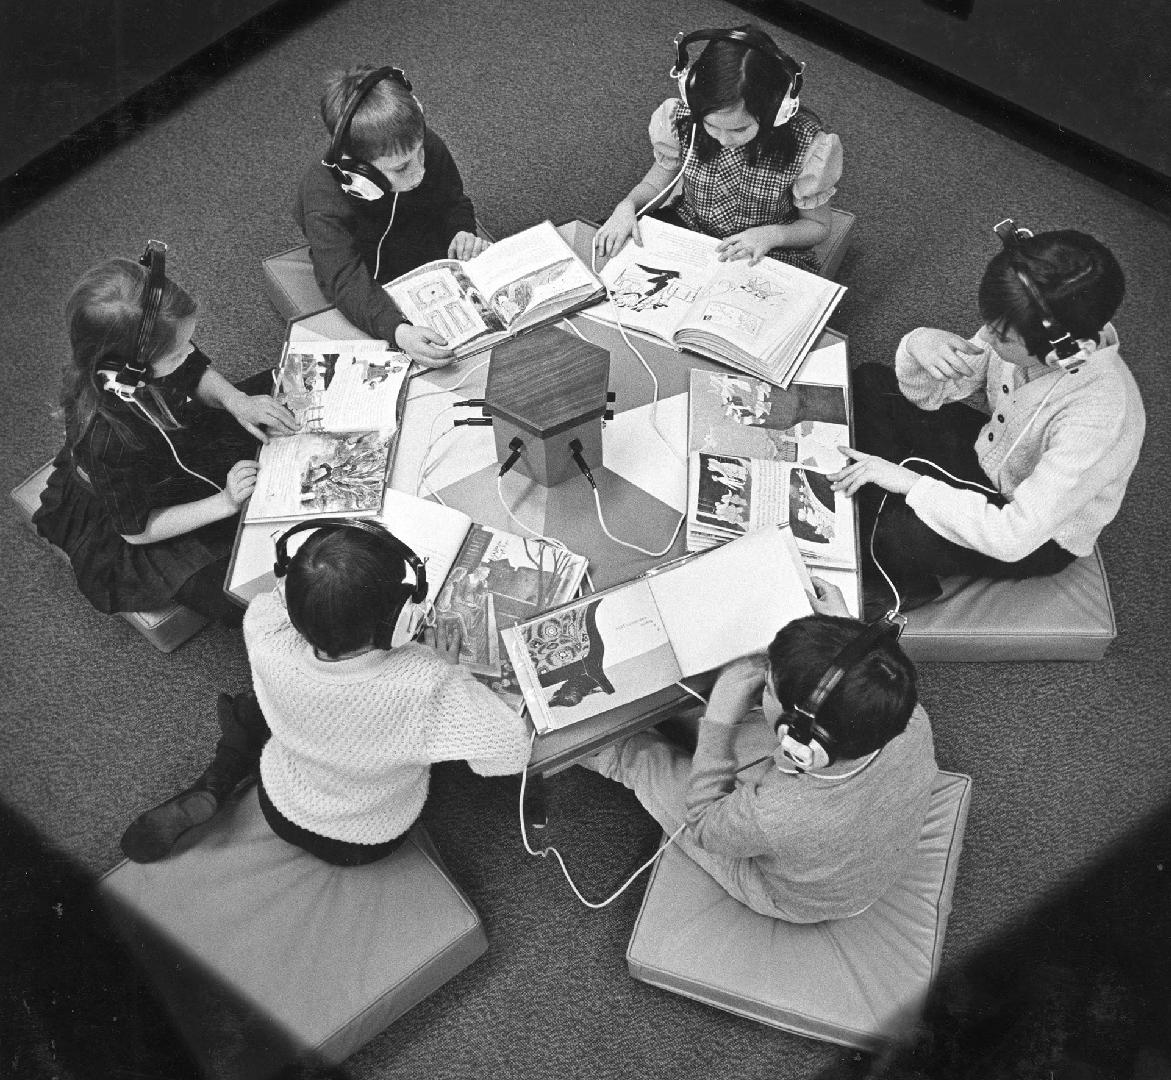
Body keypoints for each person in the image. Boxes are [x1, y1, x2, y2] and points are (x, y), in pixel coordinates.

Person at [120, 521, 531, 864]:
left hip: (280, 803)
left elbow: (280, 595)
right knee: (424, 743)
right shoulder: (426, 683)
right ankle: (227, 766)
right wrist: (453, 669)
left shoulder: (263, 630)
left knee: (259, 706)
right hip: (363, 839)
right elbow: (509, 753)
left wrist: (320, 575)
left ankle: (218, 778)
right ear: (397, 620)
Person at [832, 224, 1145, 613]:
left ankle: (903, 579)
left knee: (896, 535)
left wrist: (908, 483)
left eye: (1001, 337)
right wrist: (919, 342)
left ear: (1064, 354)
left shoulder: (1097, 418)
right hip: (992, 454)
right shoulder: (1034, 327)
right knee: (871, 381)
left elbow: (1014, 536)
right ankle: (875, 504)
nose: (986, 338)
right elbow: (934, 396)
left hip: (1031, 532)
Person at [581, 580, 936, 923]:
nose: (761, 681)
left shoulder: (776, 813)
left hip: (789, 893)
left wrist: (721, 716)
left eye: (766, 686)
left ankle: (606, 752)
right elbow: (854, 683)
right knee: (708, 723)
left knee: (644, 760)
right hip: (843, 833)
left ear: (798, 740)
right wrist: (846, 631)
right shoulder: (907, 716)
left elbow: (704, 827)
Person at [33, 253, 298, 626]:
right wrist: (224, 503)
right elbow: (136, 532)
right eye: (177, 352)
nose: (190, 353)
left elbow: (193, 370)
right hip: (143, 513)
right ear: (125, 371)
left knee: (284, 394)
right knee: (252, 604)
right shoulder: (105, 440)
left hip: (173, 442)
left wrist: (236, 401)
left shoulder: (150, 348)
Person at [595, 25, 842, 272]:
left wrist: (771, 235)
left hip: (764, 245)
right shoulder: (681, 120)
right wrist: (627, 205)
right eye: (711, 125)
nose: (723, 139)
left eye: (739, 130)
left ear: (777, 111)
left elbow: (818, 226)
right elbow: (655, 184)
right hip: (689, 227)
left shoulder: (808, 147)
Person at [295, 63, 488, 368]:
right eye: (401, 168)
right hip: (366, 273)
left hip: (426, 251)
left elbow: (454, 201)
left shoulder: (419, 144)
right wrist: (397, 331)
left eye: (420, 153)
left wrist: (462, 231)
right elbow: (343, 279)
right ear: (360, 173)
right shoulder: (322, 195)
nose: (420, 171)